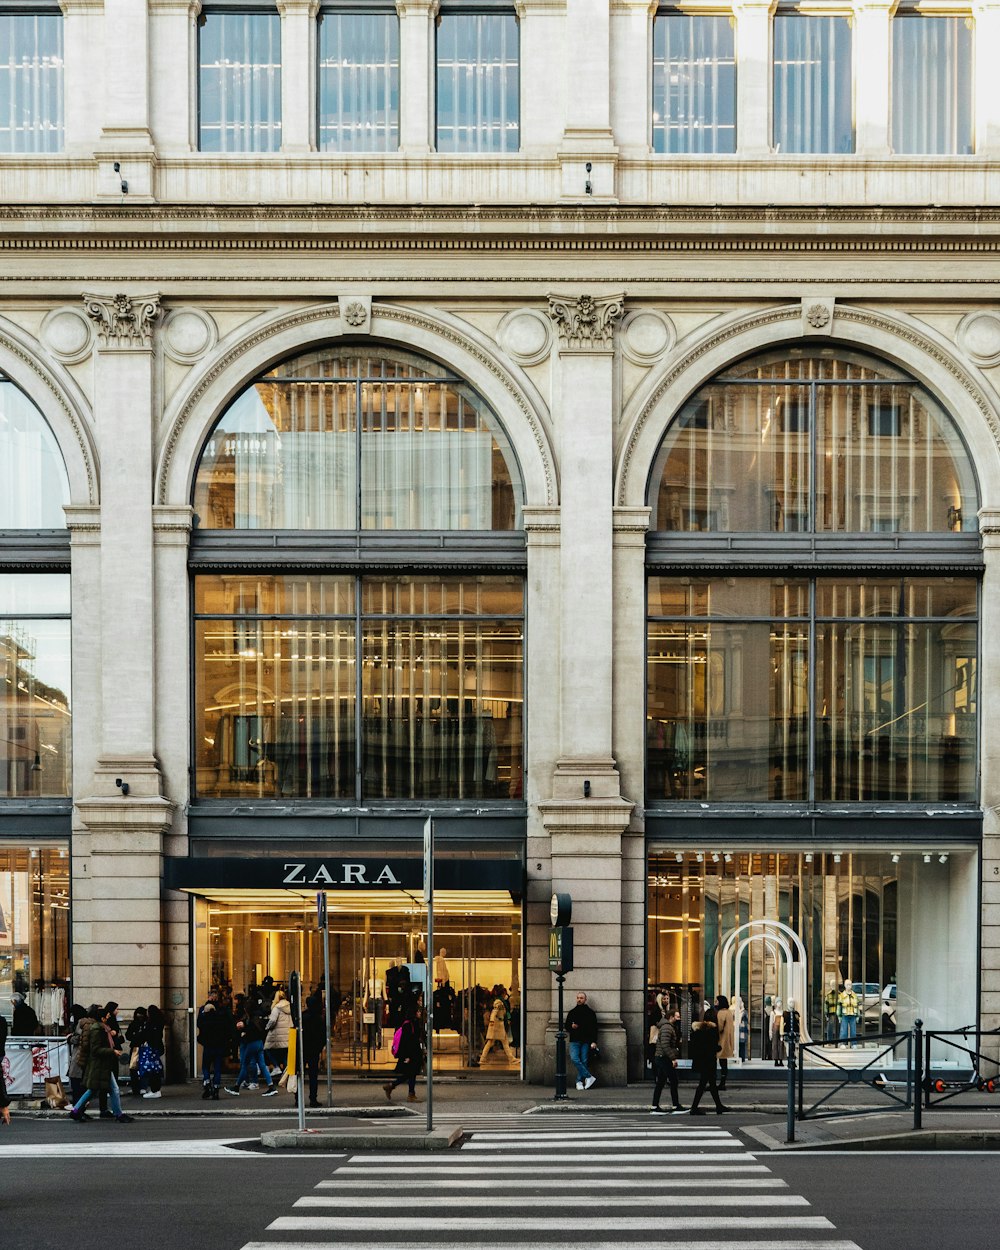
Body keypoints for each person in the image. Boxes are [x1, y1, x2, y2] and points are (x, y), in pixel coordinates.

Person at [67, 1002, 134, 1123]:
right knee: (111, 1089)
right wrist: (112, 1052)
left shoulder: (100, 1029)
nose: (108, 1018)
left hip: (101, 1064)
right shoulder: (98, 1029)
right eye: (107, 1017)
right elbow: (95, 1049)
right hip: (100, 1064)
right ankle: (118, 1114)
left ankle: (76, 1110)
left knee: (96, 1089)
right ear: (102, 1018)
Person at [224, 994, 277, 1097]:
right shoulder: (258, 1017)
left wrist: (242, 1029)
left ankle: (236, 1087)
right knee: (262, 1065)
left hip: (252, 1044)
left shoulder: (251, 1020)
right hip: (260, 1043)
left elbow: (249, 1031)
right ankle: (271, 1086)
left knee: (245, 1065)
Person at [689, 1002, 728, 1116]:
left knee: (710, 1084)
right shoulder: (712, 1031)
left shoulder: (697, 1031)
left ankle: (718, 1106)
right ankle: (694, 1107)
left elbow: (695, 1047)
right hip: (709, 1062)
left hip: (701, 1062)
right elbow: (713, 1047)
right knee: (704, 1085)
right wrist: (718, 1047)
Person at [383, 997, 422, 1103]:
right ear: (414, 1012)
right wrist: (407, 1056)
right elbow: (407, 1042)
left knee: (410, 1074)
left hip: (414, 1053)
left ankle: (394, 1087)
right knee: (410, 1074)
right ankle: (407, 1093)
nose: (419, 1013)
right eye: (418, 1011)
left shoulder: (413, 1023)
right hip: (411, 1054)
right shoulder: (409, 1025)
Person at [196, 988, 234, 1100]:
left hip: (208, 1045)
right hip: (219, 1044)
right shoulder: (222, 1011)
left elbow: (199, 1025)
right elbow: (228, 1026)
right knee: (217, 1067)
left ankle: (207, 1082)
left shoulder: (204, 1011)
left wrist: (201, 1039)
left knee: (205, 1066)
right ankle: (216, 1087)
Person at [650, 1008, 685, 1114]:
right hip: (664, 1058)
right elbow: (665, 1045)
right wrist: (673, 1058)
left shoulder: (667, 1027)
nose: (679, 1019)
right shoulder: (667, 1028)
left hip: (662, 1057)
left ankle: (655, 1106)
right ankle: (675, 1105)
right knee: (673, 1080)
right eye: (677, 1017)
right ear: (671, 1017)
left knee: (661, 1082)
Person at [565, 991, 599, 1090]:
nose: (579, 999)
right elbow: (566, 1026)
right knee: (574, 1058)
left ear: (585, 999)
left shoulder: (590, 1013)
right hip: (574, 1040)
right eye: (578, 998)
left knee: (584, 1061)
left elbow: (594, 1028)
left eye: (581, 998)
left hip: (586, 1040)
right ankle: (589, 1077)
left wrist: (594, 1041)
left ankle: (579, 1081)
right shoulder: (572, 1012)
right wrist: (571, 1026)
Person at [301, 990, 327, 1108]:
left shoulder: (302, 1017)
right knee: (313, 1076)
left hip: (303, 1049)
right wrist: (319, 1048)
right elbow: (322, 1036)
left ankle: (298, 1098)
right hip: (314, 1050)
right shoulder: (319, 1018)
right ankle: (313, 1099)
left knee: (300, 1075)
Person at [138, 1004, 166, 1098]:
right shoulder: (159, 1022)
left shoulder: (151, 1024)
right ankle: (156, 1089)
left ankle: (155, 1090)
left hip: (151, 1048)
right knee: (155, 1069)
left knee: (152, 1070)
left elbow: (148, 1035)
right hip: (156, 1048)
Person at [478, 996, 516, 1065]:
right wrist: (492, 1020)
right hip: (497, 1026)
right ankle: (511, 1058)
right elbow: (494, 1012)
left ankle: (483, 1058)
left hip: (498, 1026)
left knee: (493, 1042)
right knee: (502, 1042)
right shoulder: (499, 1005)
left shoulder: (500, 1005)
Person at [264, 989, 293, 1077]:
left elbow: (272, 1020)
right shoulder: (289, 1006)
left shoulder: (277, 1007)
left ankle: (276, 1067)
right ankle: (285, 1074)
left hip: (277, 1035)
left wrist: (267, 1027)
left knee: (267, 1049)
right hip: (288, 1034)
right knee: (284, 1054)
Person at [125, 1006, 148, 1098]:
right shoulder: (141, 1024)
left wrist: (135, 1036)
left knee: (136, 1068)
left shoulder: (135, 1023)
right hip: (138, 1047)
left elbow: (128, 1035)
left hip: (137, 1046)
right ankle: (139, 1087)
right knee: (135, 1068)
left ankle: (139, 1087)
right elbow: (128, 1035)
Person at [715, 994, 734, 1090]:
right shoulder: (729, 1012)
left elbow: (719, 1027)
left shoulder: (721, 1013)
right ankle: (723, 1082)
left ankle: (718, 1083)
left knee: (718, 1061)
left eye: (717, 1001)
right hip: (728, 1041)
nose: (715, 1003)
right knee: (724, 1063)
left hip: (721, 1040)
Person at [838, 979, 859, 1047]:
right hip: (845, 1014)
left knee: (853, 1030)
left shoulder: (854, 995)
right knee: (844, 1030)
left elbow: (857, 1006)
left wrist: (857, 1016)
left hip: (853, 1014)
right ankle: (842, 1043)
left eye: (850, 984)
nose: (849, 986)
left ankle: (854, 1044)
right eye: (847, 985)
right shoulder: (841, 996)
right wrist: (839, 1016)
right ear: (844, 985)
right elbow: (839, 1007)